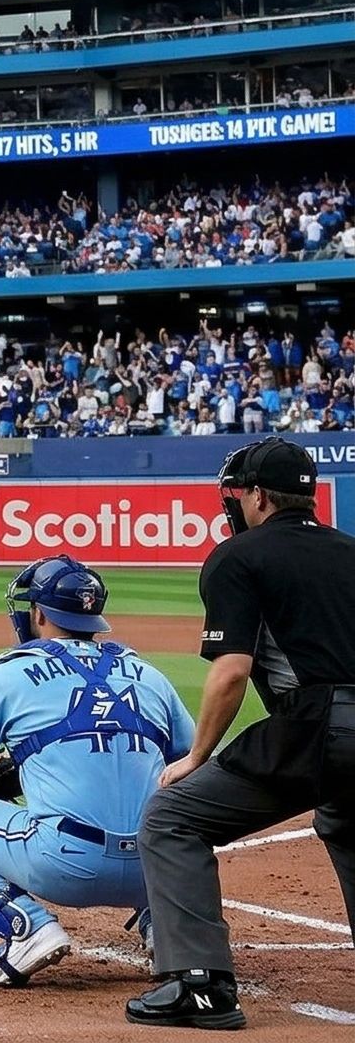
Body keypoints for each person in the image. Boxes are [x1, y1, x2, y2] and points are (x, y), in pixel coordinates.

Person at [128, 438, 355, 1030]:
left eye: (238, 493)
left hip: (316, 725)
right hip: (335, 729)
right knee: (346, 822)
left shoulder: (239, 557)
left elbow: (232, 672)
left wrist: (195, 757)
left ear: (256, 495)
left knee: (172, 818)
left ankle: (199, 986)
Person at [0, 555, 195, 988]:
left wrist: (6, 772)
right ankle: (166, 928)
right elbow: (189, 763)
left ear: (38, 613)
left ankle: (28, 928)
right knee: (164, 810)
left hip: (64, 866)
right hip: (157, 869)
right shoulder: (150, 675)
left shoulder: (10, 673)